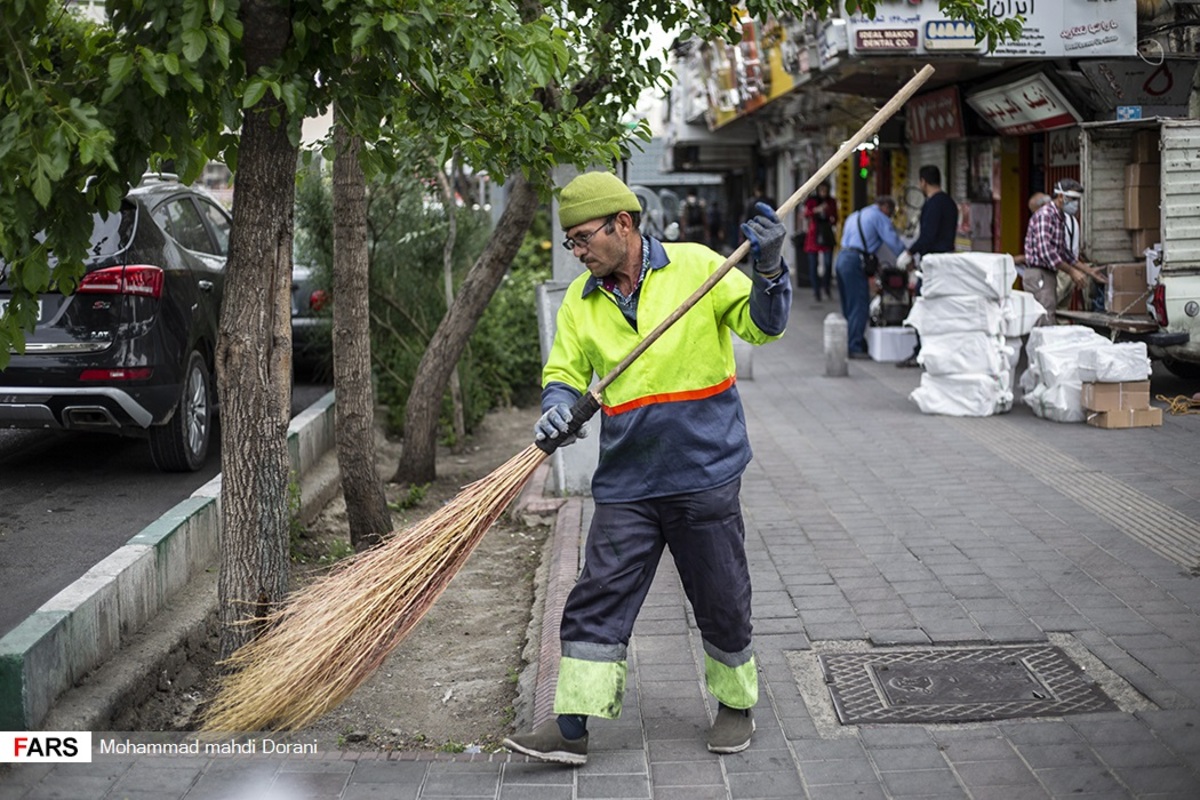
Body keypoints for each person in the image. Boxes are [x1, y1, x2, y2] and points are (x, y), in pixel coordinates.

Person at [501, 171, 791, 765]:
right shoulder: (582, 306)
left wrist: (768, 272)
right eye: (571, 244)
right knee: (597, 596)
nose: (578, 253)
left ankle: (736, 704)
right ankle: (571, 727)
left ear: (623, 224)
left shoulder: (698, 267)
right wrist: (556, 410)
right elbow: (562, 375)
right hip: (629, 480)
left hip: (705, 471)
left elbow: (763, 329)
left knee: (720, 594)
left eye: (584, 239)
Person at [895, 165, 958, 367]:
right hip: (947, 263)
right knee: (940, 310)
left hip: (932, 266)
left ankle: (922, 351)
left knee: (923, 307)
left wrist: (909, 252)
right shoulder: (949, 203)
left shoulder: (933, 204)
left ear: (923, 181)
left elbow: (928, 236)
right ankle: (935, 350)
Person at [1022, 178, 1106, 326]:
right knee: (1043, 318)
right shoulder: (1045, 215)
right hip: (1039, 274)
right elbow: (1046, 252)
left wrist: (1089, 271)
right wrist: (1072, 272)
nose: (1076, 204)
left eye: (1077, 200)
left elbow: (1064, 252)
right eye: (1073, 199)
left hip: (1048, 274)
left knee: (1050, 315)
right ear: (1060, 196)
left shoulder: (1059, 217)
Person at [836, 196, 906, 359]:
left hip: (842, 258)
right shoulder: (879, 217)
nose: (890, 218)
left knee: (848, 305)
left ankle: (849, 341)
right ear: (886, 207)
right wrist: (908, 258)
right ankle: (855, 346)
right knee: (859, 304)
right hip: (855, 261)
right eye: (890, 213)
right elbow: (893, 241)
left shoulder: (856, 215)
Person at [802, 181, 838, 302]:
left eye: (825, 190)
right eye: (821, 190)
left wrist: (828, 212)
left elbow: (835, 217)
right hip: (814, 234)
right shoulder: (812, 200)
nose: (823, 193)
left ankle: (826, 287)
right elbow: (806, 213)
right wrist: (816, 210)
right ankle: (816, 290)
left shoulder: (831, 201)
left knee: (828, 263)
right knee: (813, 265)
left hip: (826, 234)